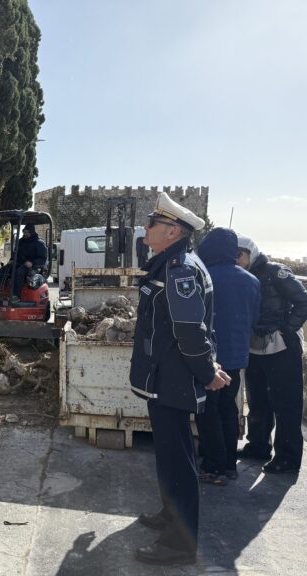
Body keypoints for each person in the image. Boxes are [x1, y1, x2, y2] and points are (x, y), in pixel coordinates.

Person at [130, 192, 230, 566]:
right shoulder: (173, 263)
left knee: (178, 462)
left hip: (172, 379)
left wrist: (207, 372)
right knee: (170, 455)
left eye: (152, 223)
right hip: (164, 377)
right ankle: (170, 515)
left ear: (172, 231)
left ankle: (179, 544)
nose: (146, 227)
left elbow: (190, 330)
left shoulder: (180, 270)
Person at [236, 235, 307, 473]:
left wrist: (287, 328)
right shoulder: (241, 276)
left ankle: (288, 457)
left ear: (251, 253)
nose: (236, 260)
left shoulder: (276, 272)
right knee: (258, 400)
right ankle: (258, 446)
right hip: (255, 346)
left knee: (286, 403)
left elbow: (303, 301)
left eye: (240, 254)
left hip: (282, 346)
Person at [196, 228, 260, 485]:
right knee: (227, 408)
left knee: (207, 410)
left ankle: (213, 466)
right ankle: (230, 465)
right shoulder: (251, 280)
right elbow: (254, 319)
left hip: (209, 358)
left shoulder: (204, 276)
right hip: (236, 357)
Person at [13, 223, 48, 297]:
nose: (25, 234)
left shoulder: (39, 243)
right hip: (20, 263)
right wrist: (12, 259)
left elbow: (43, 258)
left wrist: (32, 263)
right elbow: (16, 253)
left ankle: (16, 295)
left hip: (33, 266)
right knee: (5, 269)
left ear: (32, 232)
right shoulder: (20, 242)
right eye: (24, 232)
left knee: (19, 272)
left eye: (27, 232)